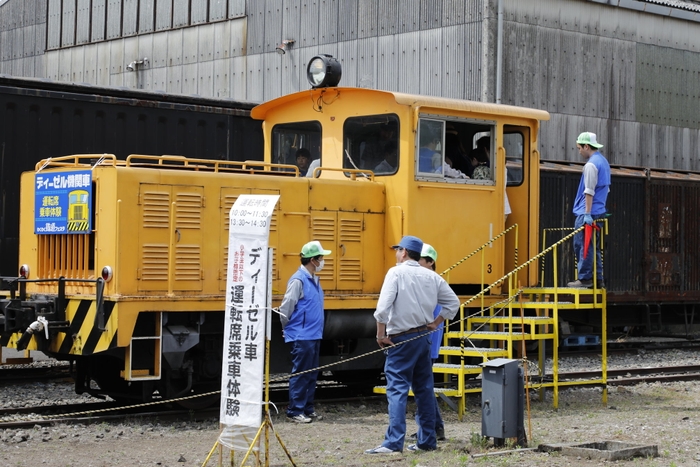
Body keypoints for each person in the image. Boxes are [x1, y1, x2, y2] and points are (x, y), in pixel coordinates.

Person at [365, 236, 460, 454]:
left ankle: (393, 442)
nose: (396, 253)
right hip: (422, 338)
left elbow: (382, 309)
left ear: (405, 252)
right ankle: (427, 441)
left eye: (398, 249)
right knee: (424, 389)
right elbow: (453, 302)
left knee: (397, 388)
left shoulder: (395, 272)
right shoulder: (432, 276)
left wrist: (380, 334)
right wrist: (435, 323)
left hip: (400, 338)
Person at [279, 240, 331, 423]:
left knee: (311, 373)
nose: (323, 261)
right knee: (301, 373)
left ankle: (307, 408)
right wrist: (288, 328)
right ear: (313, 260)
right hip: (302, 335)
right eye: (321, 258)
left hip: (313, 334)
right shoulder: (298, 280)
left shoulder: (313, 280)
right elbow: (286, 308)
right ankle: (295, 411)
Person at [567, 132, 611, 288]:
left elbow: (589, 191)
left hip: (589, 212)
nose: (579, 151)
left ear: (586, 146)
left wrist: (586, 213)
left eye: (579, 148)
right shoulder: (603, 162)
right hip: (599, 210)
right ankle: (598, 279)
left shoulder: (591, 165)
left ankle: (585, 278)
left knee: (583, 245)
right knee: (594, 246)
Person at [412, 243, 446, 441]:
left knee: (423, 388)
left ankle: (433, 428)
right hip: (427, 341)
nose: (416, 264)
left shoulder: (432, 282)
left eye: (420, 261)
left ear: (430, 262)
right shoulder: (430, 281)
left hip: (427, 342)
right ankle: (433, 427)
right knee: (423, 387)